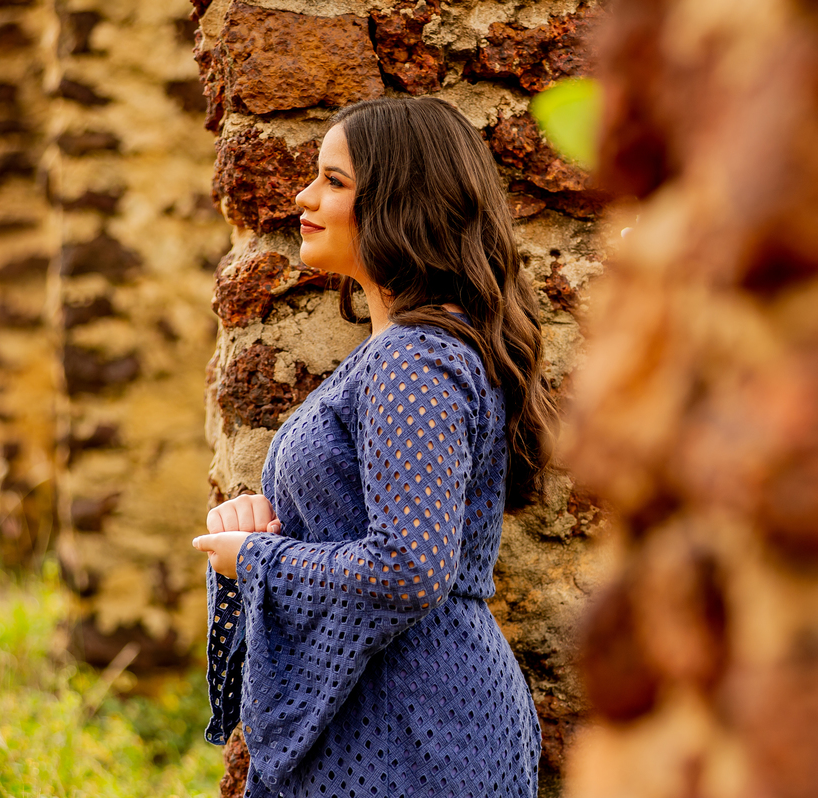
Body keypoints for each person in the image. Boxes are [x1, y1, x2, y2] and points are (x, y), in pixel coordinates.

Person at [192, 96, 555, 798]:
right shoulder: (399, 353)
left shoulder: (413, 361)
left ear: (400, 203)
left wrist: (258, 558)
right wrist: (259, 522)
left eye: (333, 181)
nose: (304, 196)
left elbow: (408, 568)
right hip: (395, 717)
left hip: (415, 730)